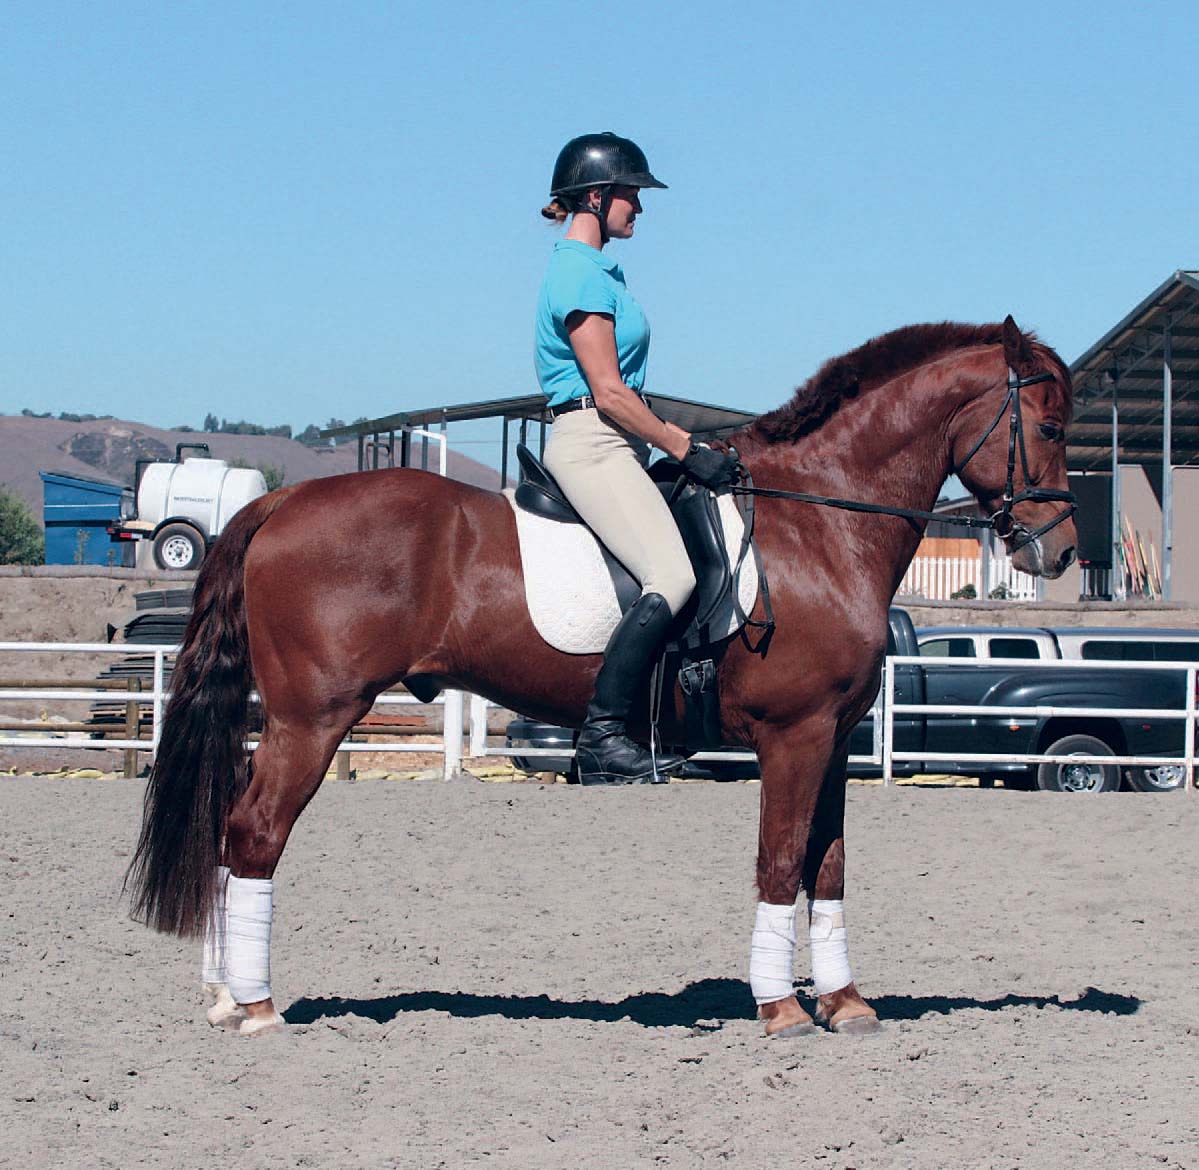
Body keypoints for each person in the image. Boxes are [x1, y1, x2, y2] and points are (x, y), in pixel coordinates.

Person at [534, 132, 741, 785]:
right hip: (592, 440)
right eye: (631, 195)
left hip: (614, 441)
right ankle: (601, 735)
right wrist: (684, 446)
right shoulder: (576, 272)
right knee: (671, 577)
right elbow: (609, 393)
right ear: (595, 195)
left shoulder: (600, 271)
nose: (639, 209)